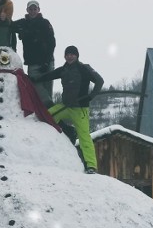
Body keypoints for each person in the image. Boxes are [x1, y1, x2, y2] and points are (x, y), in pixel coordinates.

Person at [34, 45, 104, 174]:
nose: (70, 56)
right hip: (65, 106)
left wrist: (90, 96)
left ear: (77, 56)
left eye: (72, 54)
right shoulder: (64, 69)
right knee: (46, 116)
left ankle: (91, 166)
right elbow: (49, 75)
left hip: (80, 109)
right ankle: (68, 131)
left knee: (84, 137)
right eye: (68, 54)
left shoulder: (84, 68)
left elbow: (99, 81)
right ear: (65, 56)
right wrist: (34, 79)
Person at [12, 0, 56, 106]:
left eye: (34, 9)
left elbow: (52, 43)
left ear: (38, 10)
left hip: (47, 62)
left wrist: (46, 62)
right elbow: (9, 26)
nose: (32, 11)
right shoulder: (22, 23)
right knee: (36, 87)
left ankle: (50, 115)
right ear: (27, 10)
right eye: (30, 9)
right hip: (32, 63)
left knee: (47, 88)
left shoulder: (45, 23)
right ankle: (48, 106)